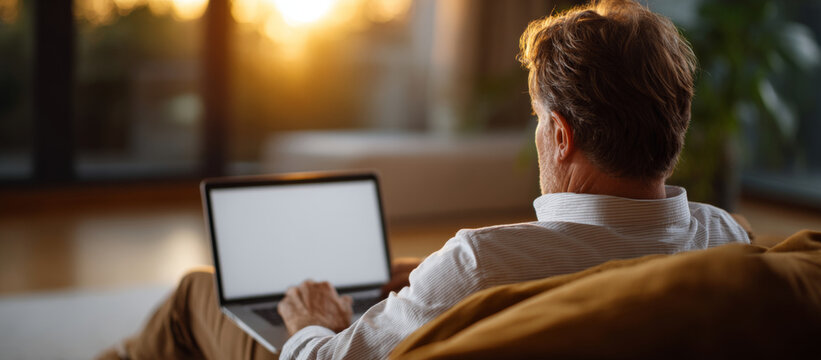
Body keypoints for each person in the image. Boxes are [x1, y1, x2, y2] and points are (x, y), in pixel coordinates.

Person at [98, 1, 751, 359]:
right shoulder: (728, 241)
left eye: (535, 119)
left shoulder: (477, 264)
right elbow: (595, 255)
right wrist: (439, 279)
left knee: (194, 295)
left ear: (560, 135)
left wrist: (311, 322)